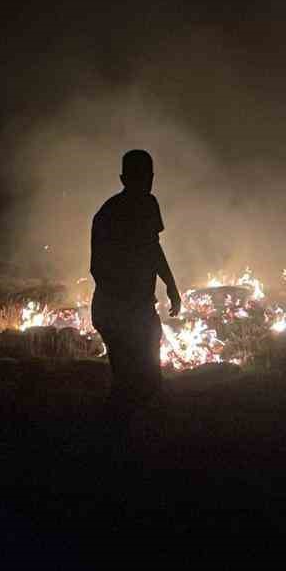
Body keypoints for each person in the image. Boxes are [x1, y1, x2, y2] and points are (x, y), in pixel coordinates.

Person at [90, 149, 181, 422]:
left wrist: (171, 286)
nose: (146, 183)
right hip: (116, 311)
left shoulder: (149, 204)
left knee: (148, 378)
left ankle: (133, 436)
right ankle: (113, 437)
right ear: (123, 178)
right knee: (129, 381)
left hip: (140, 310)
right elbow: (98, 269)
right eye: (139, 178)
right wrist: (129, 303)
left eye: (148, 177)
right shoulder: (108, 216)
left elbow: (153, 248)